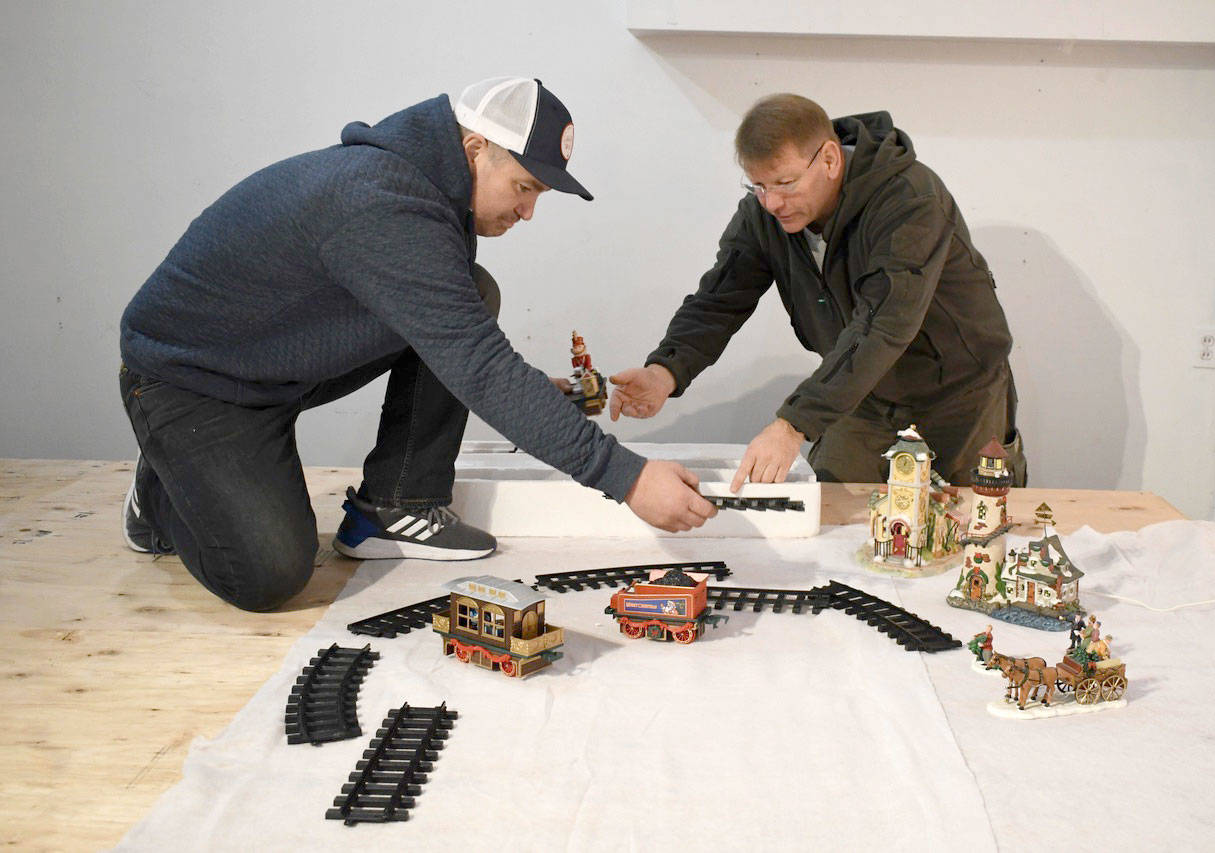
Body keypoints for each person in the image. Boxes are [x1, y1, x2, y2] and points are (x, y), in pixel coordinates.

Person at [119, 77, 715, 612]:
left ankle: (397, 504)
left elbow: (459, 333)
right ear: (476, 148)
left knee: (471, 293)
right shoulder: (382, 202)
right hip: (192, 381)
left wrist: (538, 393)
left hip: (273, 363)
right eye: (525, 187)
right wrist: (626, 477)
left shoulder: (433, 195)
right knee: (270, 577)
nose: (529, 212)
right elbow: (477, 364)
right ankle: (160, 498)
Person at [609, 93, 1028, 489]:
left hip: (959, 396)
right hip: (860, 392)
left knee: (973, 532)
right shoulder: (765, 214)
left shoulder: (910, 200)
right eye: (757, 186)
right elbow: (718, 299)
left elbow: (882, 325)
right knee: (828, 522)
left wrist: (793, 425)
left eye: (785, 182)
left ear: (828, 158)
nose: (772, 202)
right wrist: (665, 371)